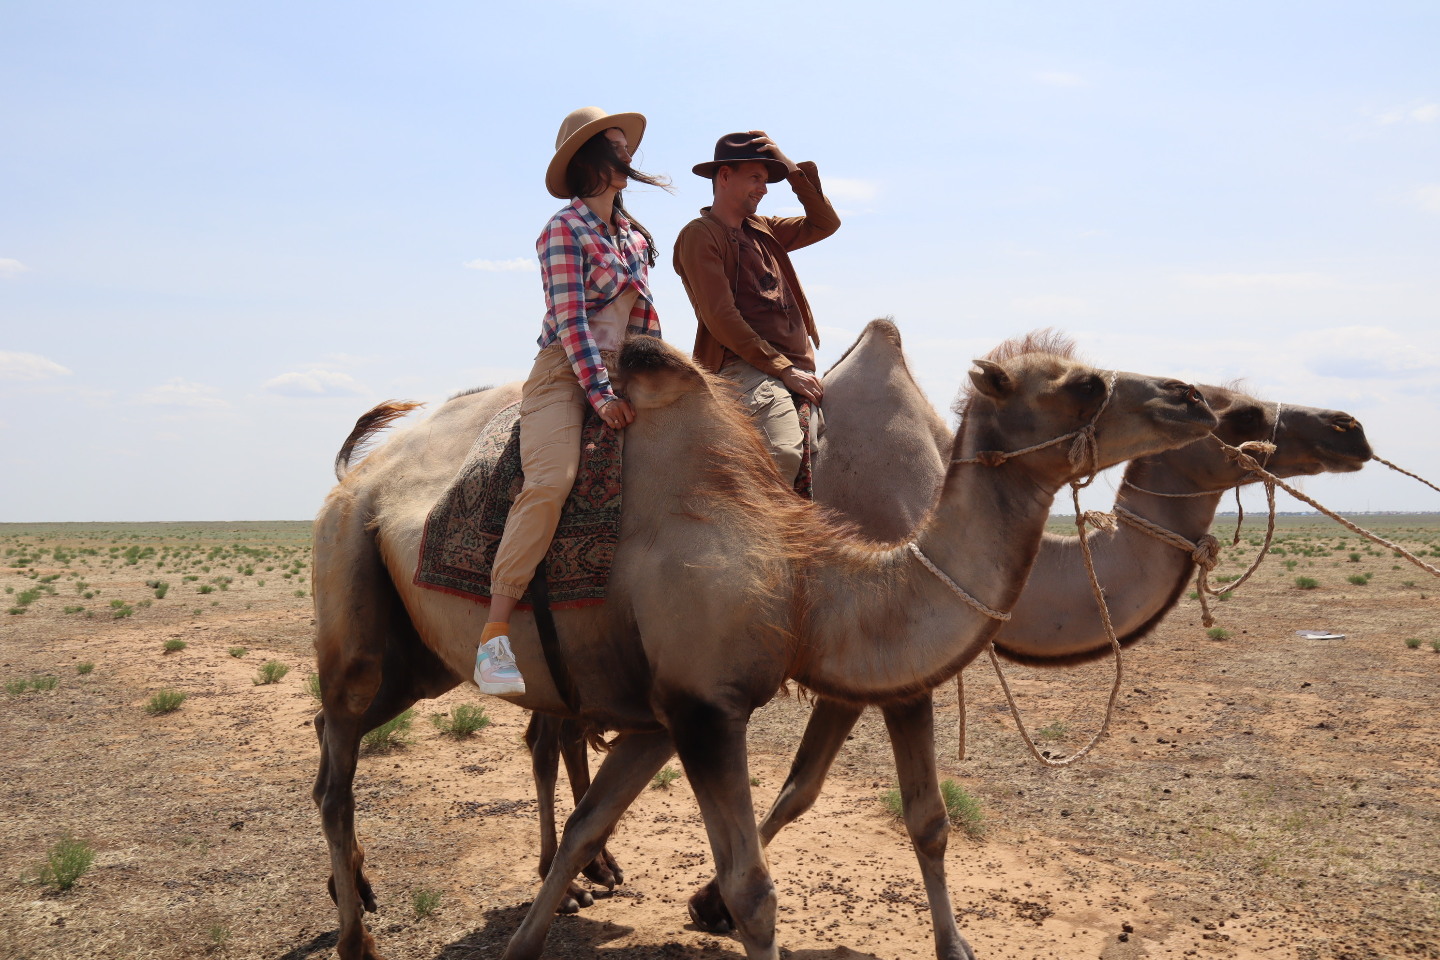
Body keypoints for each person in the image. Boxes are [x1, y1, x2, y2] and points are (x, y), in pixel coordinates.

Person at [475, 106, 667, 696]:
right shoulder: (563, 228)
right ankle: (493, 637)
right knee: (552, 480)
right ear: (588, 161)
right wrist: (601, 393)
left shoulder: (632, 236)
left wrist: (660, 378)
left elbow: (645, 320)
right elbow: (571, 320)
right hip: (567, 371)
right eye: (614, 146)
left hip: (628, 368)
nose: (626, 154)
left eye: (625, 144)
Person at [672, 131, 840, 486]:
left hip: (795, 366)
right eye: (755, 178)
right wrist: (782, 369)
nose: (763, 189)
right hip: (743, 367)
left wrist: (793, 170)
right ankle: (749, 539)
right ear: (724, 176)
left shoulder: (763, 229)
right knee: (783, 450)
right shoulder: (701, 235)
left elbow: (826, 223)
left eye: (766, 181)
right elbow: (721, 317)